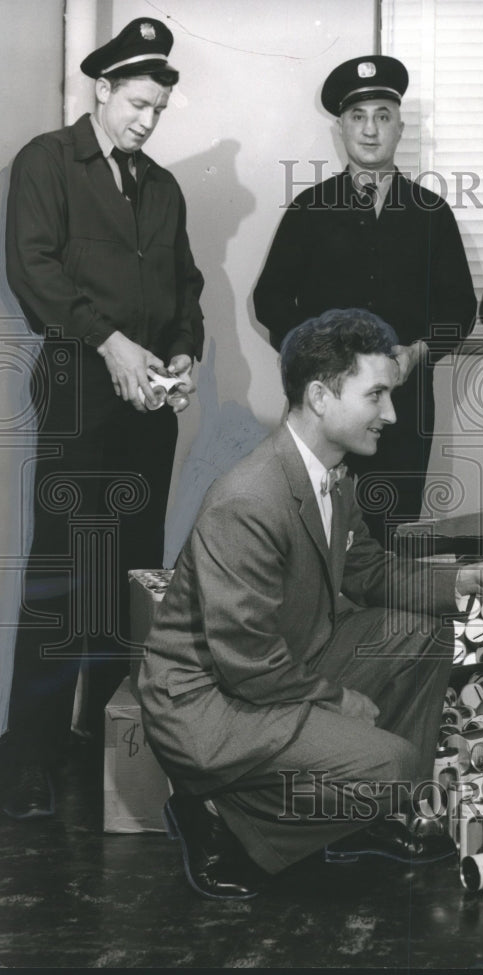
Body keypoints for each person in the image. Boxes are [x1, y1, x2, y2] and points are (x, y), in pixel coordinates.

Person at [137, 309, 483, 900]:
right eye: (377, 395)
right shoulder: (248, 500)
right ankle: (217, 816)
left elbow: (367, 568)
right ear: (321, 397)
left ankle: (356, 817)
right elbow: (247, 663)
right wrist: (341, 701)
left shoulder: (331, 473)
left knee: (425, 633)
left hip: (284, 660)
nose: (391, 414)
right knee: (393, 767)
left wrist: (466, 582)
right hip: (210, 703)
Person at [2, 19, 204, 820]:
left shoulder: (161, 186)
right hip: (81, 389)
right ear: (101, 89)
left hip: (148, 401)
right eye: (138, 104)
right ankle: (30, 759)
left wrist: (182, 354)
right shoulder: (46, 161)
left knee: (126, 574)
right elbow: (34, 269)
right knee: (62, 574)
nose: (148, 121)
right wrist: (111, 343)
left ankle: (106, 742)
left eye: (158, 110)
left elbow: (184, 289)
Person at [253, 55, 477, 548]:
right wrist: (318, 362)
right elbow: (269, 298)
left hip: (405, 404)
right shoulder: (310, 208)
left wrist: (418, 353)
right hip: (324, 407)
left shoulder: (431, 213)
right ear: (341, 129)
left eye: (382, 116)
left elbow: (460, 308)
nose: (370, 130)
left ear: (400, 127)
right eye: (358, 117)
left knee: (395, 536)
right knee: (320, 533)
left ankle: (387, 628)